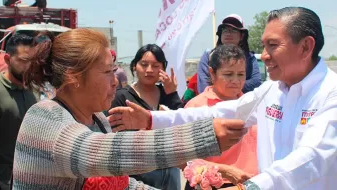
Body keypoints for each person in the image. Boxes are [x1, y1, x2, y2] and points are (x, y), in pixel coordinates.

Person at [108, 7, 337, 190]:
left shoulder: (331, 94)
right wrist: (151, 119)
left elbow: (312, 157)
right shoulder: (272, 90)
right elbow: (215, 113)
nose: (264, 56)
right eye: (264, 46)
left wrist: (247, 188)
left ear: (306, 46)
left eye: (273, 45)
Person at [12, 28, 246, 190]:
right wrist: (203, 135)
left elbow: (121, 183)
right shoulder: (43, 118)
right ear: (74, 77)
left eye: (115, 71)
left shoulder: (99, 120)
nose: (115, 81)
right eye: (107, 72)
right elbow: (107, 152)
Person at [184, 44, 257, 189]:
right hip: (209, 185)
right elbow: (184, 160)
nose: (236, 80)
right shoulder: (196, 107)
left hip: (248, 183)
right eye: (228, 74)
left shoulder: (253, 104)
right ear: (212, 73)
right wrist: (225, 171)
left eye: (241, 74)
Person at [111, 44, 183, 189]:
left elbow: (182, 125)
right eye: (144, 65)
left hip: (170, 173)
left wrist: (172, 94)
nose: (149, 70)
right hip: (138, 174)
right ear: (134, 67)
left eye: (155, 65)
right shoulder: (122, 97)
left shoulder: (167, 93)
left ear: (163, 68)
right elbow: (113, 135)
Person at [0, 33, 38, 190]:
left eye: (32, 61)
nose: (29, 66)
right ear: (7, 59)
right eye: (23, 61)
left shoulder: (32, 91)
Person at [197, 14, 261, 95]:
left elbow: (256, 82)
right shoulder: (208, 56)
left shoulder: (249, 57)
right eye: (225, 30)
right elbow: (203, 84)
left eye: (233, 30)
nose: (228, 33)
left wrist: (228, 88)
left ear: (242, 36)